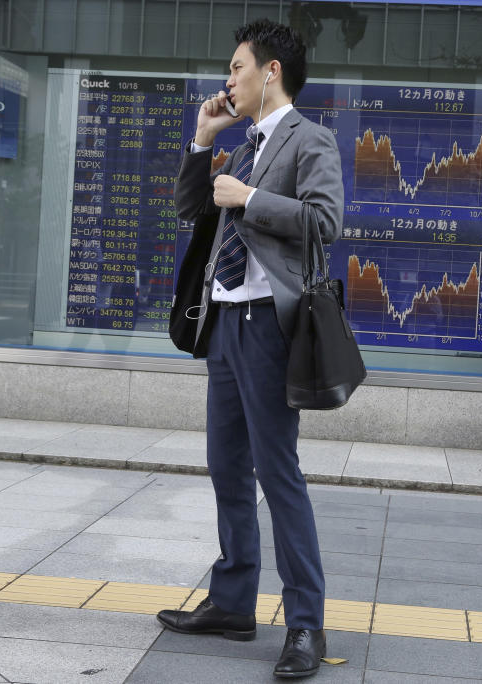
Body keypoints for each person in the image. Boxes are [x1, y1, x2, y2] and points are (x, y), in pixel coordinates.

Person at [155, 19, 343, 679]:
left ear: (271, 72)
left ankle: (305, 624)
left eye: (236, 67)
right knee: (226, 468)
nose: (226, 79)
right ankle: (233, 603)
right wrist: (203, 141)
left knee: (277, 474)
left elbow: (325, 222)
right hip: (224, 325)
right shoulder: (241, 145)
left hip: (269, 325)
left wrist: (253, 198)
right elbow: (188, 211)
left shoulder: (308, 139)